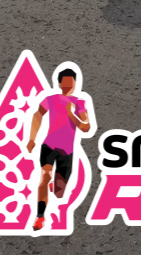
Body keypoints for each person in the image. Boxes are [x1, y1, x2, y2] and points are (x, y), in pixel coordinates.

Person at [24, 66, 91, 233]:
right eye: (65, 83)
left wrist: (72, 114)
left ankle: (56, 185)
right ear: (60, 83)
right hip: (49, 146)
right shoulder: (51, 99)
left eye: (71, 83)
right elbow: (37, 115)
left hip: (67, 151)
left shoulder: (79, 103)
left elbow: (86, 127)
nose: (68, 86)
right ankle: (40, 216)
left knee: (59, 193)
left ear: (75, 84)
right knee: (44, 177)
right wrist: (32, 138)